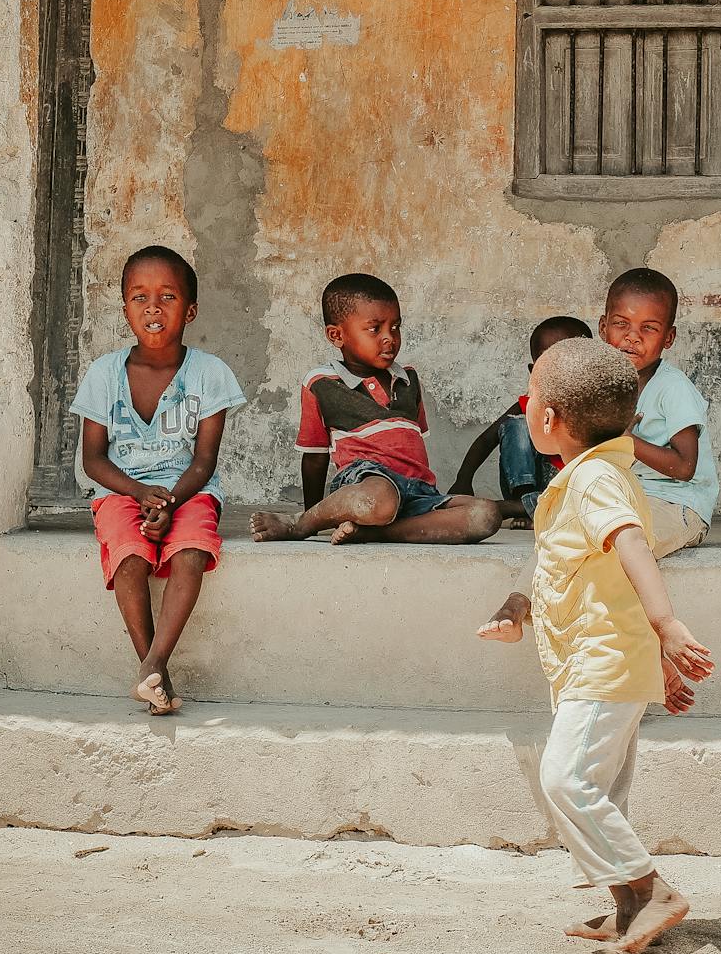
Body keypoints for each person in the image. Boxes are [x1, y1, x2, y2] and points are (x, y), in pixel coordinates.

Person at [475, 337, 714, 954]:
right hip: (603, 659)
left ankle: (653, 891)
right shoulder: (589, 476)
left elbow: (632, 544)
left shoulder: (593, 481)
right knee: (600, 793)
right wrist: (520, 610)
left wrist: (667, 628)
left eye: (531, 397)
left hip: (601, 664)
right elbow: (583, 573)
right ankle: (629, 906)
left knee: (566, 780)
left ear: (547, 420)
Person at [71, 246, 245, 715]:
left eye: (167, 296)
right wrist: (139, 495)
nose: (152, 308)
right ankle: (154, 673)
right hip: (123, 490)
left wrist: (168, 504)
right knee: (129, 558)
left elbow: (204, 460)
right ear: (125, 306)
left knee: (191, 552)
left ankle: (155, 663)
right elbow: (93, 460)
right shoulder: (104, 374)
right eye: (139, 297)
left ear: (190, 309)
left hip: (187, 490)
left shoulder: (209, 374)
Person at [250, 273, 501, 544]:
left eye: (395, 327)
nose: (389, 338)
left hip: (418, 491)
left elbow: (413, 448)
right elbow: (314, 457)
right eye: (375, 329)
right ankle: (298, 525)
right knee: (379, 500)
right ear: (337, 335)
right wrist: (312, 515)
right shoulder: (321, 384)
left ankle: (375, 532)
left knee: (486, 514)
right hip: (368, 482)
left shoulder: (408, 380)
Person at [598, 268, 718, 556]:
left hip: (678, 506)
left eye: (648, 328)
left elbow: (685, 466)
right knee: (562, 534)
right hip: (624, 499)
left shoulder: (673, 388)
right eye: (620, 324)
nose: (632, 337)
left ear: (669, 337)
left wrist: (627, 439)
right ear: (603, 328)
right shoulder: (602, 384)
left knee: (618, 545)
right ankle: (518, 601)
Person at [449, 316, 592, 526]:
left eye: (570, 362)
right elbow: (485, 440)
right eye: (550, 364)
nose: (561, 372)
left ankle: (518, 509)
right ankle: (523, 503)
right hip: (528, 485)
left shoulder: (596, 405)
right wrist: (463, 480)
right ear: (533, 371)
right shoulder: (529, 405)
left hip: (567, 490)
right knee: (516, 424)